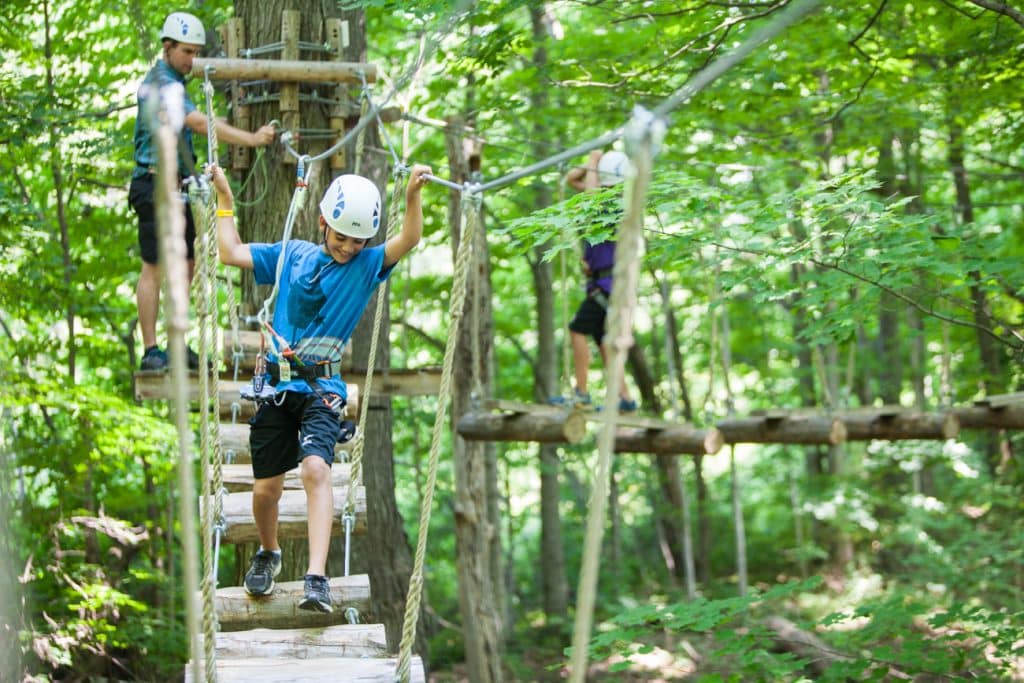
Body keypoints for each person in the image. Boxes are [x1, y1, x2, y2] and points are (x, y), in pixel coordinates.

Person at [210, 161, 431, 613]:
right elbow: (229, 253)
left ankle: (316, 578)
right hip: (276, 387)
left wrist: (411, 195)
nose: (349, 247)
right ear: (322, 223)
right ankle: (269, 552)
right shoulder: (291, 254)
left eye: (358, 240)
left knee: (316, 469)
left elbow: (408, 239)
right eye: (341, 236)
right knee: (265, 492)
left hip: (323, 389)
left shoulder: (368, 265)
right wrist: (225, 203)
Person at [130, 12, 276, 371]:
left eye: (196, 52)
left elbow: (199, 119)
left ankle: (177, 345)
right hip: (153, 184)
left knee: (187, 264)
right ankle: (151, 350)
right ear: (168, 47)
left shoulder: (177, 82)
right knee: (154, 267)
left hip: (178, 185)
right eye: (186, 52)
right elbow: (197, 123)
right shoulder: (163, 81)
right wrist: (252, 139)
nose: (192, 60)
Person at [553, 149, 637, 413]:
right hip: (605, 285)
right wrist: (595, 161)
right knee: (603, 342)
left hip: (608, 286)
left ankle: (582, 393)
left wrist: (592, 161)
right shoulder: (607, 197)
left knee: (577, 330)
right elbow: (572, 180)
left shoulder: (615, 203)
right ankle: (624, 399)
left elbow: (588, 193)